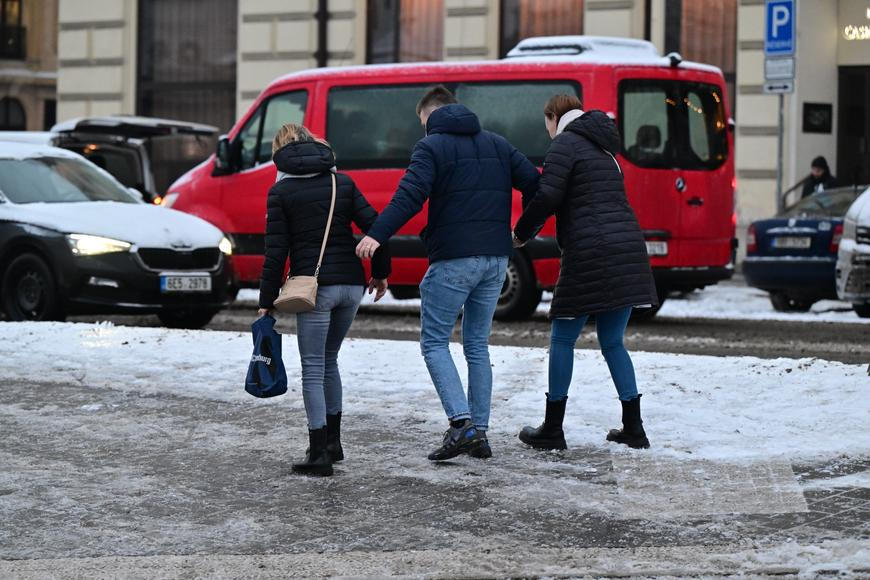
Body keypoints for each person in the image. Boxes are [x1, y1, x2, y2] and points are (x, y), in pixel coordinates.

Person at [355, 86, 540, 461]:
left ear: (430, 115)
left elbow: (409, 196)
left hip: (454, 259)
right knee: (476, 345)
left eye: (422, 122)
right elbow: (537, 186)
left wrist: (376, 234)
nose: (422, 129)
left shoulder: (431, 147)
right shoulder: (498, 144)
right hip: (495, 259)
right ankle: (480, 432)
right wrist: (524, 233)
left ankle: (462, 424)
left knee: (434, 342)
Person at [512, 95, 658, 451]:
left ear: (553, 117)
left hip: (591, 250)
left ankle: (552, 428)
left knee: (563, 337)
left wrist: (521, 232)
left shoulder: (566, 142)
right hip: (627, 249)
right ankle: (634, 428)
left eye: (546, 123)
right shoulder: (606, 148)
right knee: (612, 342)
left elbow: (548, 195)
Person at [258, 124, 391, 477]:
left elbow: (275, 253)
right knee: (329, 360)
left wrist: (266, 301)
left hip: (314, 289)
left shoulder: (281, 191)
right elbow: (376, 227)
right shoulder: (341, 182)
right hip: (350, 286)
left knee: (314, 367)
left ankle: (319, 453)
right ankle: (333, 442)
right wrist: (379, 272)